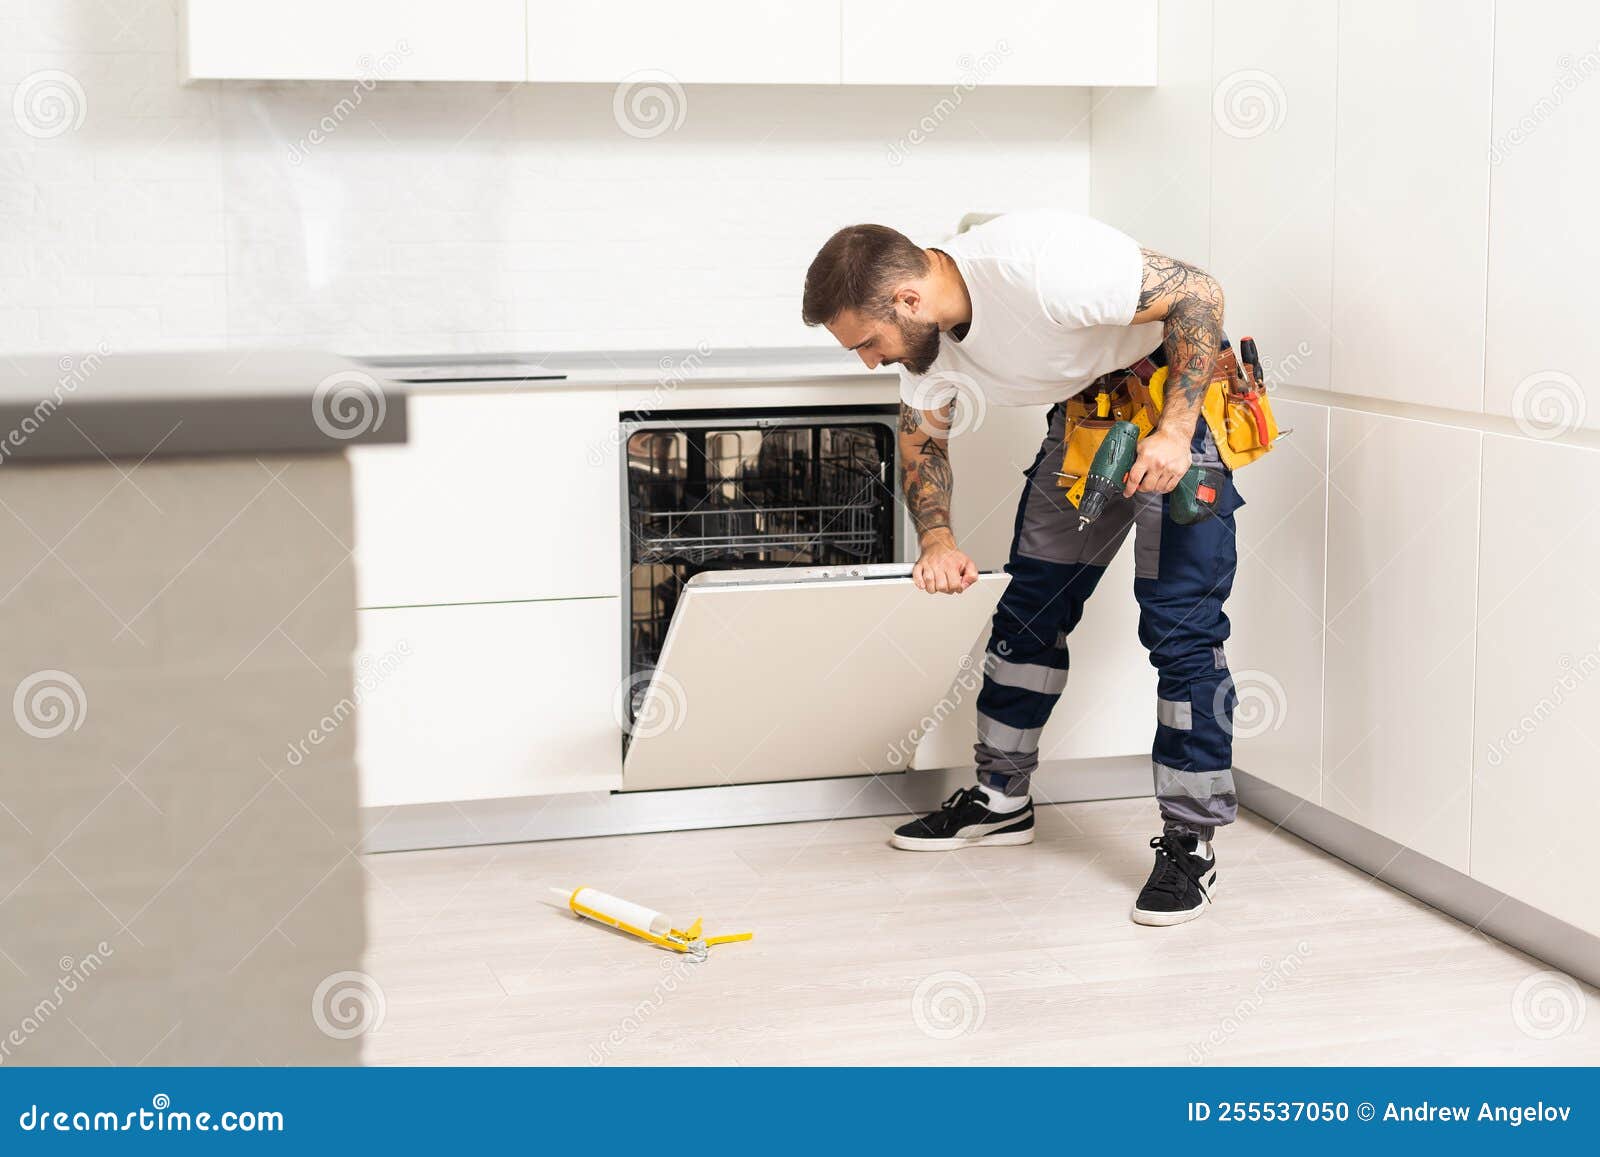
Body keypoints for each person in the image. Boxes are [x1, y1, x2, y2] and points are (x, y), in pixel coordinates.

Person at [801, 210, 1243, 926]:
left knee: (1182, 631)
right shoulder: (926, 347)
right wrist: (938, 538)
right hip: (1091, 413)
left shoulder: (1041, 263)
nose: (869, 362)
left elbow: (1200, 293)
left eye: (867, 342)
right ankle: (1002, 800)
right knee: (1030, 609)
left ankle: (1190, 841)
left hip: (1176, 403)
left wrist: (1174, 430)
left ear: (908, 301)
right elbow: (922, 441)